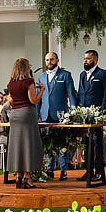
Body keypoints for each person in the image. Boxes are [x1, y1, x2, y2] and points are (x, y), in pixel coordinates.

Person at [37, 51, 77, 180]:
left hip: (61, 115)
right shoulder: (41, 77)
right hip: (45, 114)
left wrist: (73, 112)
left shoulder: (65, 75)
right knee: (48, 144)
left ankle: (64, 170)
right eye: (47, 60)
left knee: (62, 144)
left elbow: (71, 95)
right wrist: (36, 114)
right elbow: (38, 98)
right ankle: (49, 170)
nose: (49, 62)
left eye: (52, 59)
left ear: (57, 60)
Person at [6, 58, 44, 189]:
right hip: (27, 113)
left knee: (16, 145)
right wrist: (42, 91)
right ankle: (27, 177)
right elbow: (33, 100)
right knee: (29, 144)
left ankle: (18, 176)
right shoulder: (29, 81)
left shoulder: (11, 83)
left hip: (14, 114)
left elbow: (12, 99)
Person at [77, 50, 106, 181]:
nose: (85, 61)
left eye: (88, 59)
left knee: (97, 144)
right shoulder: (82, 75)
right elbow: (80, 93)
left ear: (95, 60)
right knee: (86, 143)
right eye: (84, 58)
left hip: (97, 115)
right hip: (84, 116)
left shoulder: (103, 74)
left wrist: (102, 112)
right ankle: (88, 171)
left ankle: (99, 172)